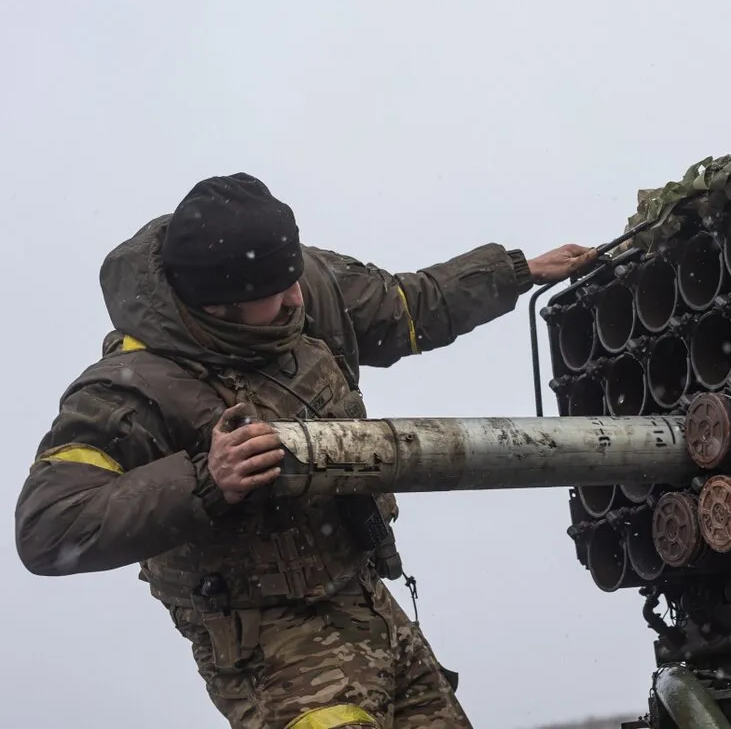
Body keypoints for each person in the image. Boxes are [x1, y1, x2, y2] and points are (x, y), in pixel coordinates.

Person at [13, 172, 597, 729]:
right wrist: (206, 481)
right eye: (277, 292)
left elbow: (403, 306)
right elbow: (49, 526)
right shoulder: (127, 392)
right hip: (271, 645)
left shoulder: (291, 281)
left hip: (367, 599)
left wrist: (516, 272)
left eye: (293, 278)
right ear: (219, 304)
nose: (298, 297)